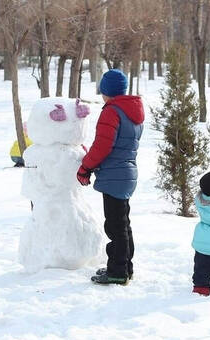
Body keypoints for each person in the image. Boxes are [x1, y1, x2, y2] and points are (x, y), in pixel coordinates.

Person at [77, 69, 144, 286]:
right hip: (126, 172)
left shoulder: (112, 111)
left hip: (115, 174)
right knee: (123, 224)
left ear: (106, 91)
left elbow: (103, 145)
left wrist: (85, 167)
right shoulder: (133, 111)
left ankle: (117, 272)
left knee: (116, 226)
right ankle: (125, 266)